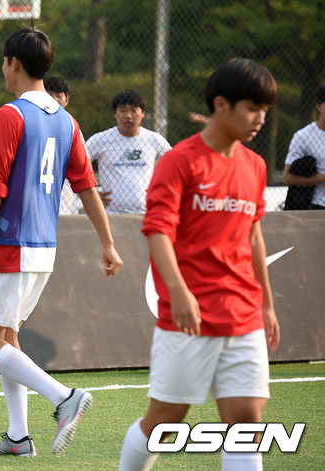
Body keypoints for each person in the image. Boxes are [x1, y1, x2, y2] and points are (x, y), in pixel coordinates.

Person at [0, 28, 123, 457]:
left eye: (4, 61)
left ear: (13, 63)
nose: (3, 68)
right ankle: (19, 437)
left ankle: (63, 397)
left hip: (8, 245)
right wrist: (108, 243)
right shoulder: (66, 120)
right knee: (6, 338)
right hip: (42, 248)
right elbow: (86, 186)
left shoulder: (8, 115)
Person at [118, 58, 280, 471]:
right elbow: (157, 231)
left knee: (247, 421)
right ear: (221, 105)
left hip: (244, 315)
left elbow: (254, 236)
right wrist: (179, 292)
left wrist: (266, 304)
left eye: (265, 109)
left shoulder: (255, 165)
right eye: (253, 108)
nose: (261, 118)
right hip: (187, 318)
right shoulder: (179, 161)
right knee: (165, 422)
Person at [85, 89, 171, 214]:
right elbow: (78, 164)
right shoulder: (100, 140)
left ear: (142, 113)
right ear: (115, 114)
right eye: (122, 111)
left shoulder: (154, 139)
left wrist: (162, 189)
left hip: (147, 214)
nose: (128, 116)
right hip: (110, 214)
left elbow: (176, 165)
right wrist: (92, 193)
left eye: (133, 111)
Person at [44, 75, 83, 215]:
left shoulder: (73, 128)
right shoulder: (31, 124)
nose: (54, 100)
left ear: (66, 100)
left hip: (66, 200)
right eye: (49, 95)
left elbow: (83, 166)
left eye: (59, 96)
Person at [282, 84, 325, 210]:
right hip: (316, 205)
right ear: (319, 107)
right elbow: (288, 178)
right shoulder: (303, 136)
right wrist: (322, 178)